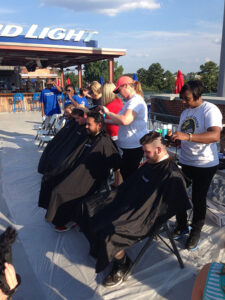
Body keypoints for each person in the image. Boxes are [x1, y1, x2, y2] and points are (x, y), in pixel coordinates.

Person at [78, 131, 190, 287]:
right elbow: (132, 185)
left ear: (158, 150)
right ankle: (102, 249)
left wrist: (133, 212)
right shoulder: (150, 163)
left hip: (144, 217)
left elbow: (164, 208)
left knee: (110, 230)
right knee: (91, 206)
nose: (144, 155)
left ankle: (121, 264)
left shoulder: (172, 175)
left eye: (146, 152)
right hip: (129, 203)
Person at [38, 112, 121, 232]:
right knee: (49, 179)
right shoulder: (89, 137)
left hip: (89, 178)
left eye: (89, 125)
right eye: (86, 124)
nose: (86, 127)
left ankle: (64, 221)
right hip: (77, 171)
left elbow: (116, 163)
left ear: (99, 125)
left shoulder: (105, 143)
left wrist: (117, 179)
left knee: (60, 191)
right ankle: (52, 212)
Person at [171, 80, 222, 250]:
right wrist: (176, 139)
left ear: (198, 96)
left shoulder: (210, 109)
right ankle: (182, 224)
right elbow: (185, 134)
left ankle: (196, 230)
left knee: (198, 198)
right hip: (186, 160)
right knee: (177, 192)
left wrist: (187, 137)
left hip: (205, 163)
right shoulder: (186, 112)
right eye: (182, 99)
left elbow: (215, 136)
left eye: (187, 99)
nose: (184, 102)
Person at [102, 76, 148, 180]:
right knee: (126, 172)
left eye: (119, 90)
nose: (119, 94)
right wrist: (103, 121)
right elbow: (120, 121)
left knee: (129, 175)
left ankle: (132, 195)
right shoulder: (130, 102)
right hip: (129, 146)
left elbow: (125, 120)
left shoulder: (135, 101)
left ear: (126, 86)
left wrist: (108, 112)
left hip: (134, 146)